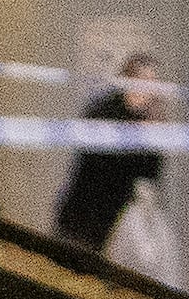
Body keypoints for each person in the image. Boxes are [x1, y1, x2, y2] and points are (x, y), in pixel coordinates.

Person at [50, 46, 165, 253]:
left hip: (116, 221)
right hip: (85, 217)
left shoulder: (150, 120)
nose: (150, 88)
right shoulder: (105, 110)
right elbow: (97, 163)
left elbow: (150, 175)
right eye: (144, 80)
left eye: (153, 82)